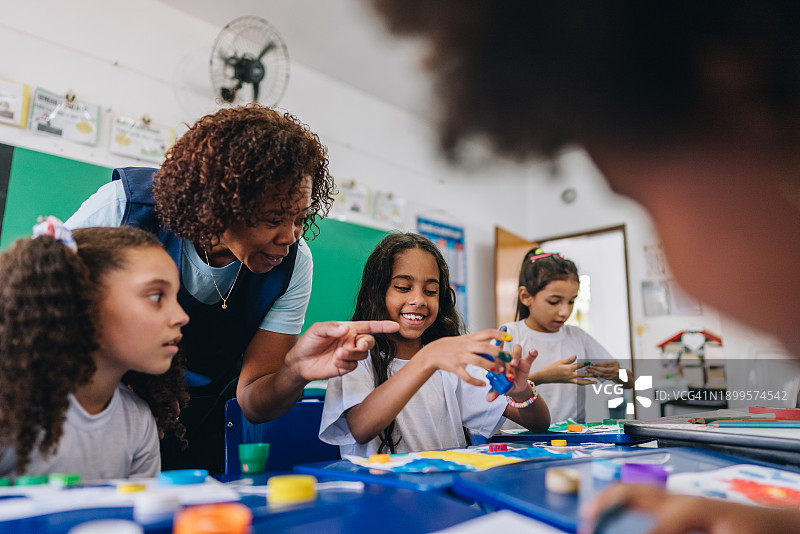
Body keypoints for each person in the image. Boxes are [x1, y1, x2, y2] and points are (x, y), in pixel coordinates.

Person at [368, 1, 800, 531]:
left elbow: (591, 382)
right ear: (525, 297)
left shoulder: (560, 339)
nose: (677, 271)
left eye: (645, 198)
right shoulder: (476, 345)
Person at [66, 104, 397, 473]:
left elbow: (255, 402)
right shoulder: (125, 208)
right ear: (220, 205)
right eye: (273, 218)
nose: (290, 236)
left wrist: (295, 371)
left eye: (300, 218)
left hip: (201, 430)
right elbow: (37, 307)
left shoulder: (292, 264)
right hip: (90, 415)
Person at [319, 233, 550, 456]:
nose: (419, 300)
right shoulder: (354, 354)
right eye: (403, 287)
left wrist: (522, 393)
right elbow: (361, 428)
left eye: (431, 291)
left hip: (444, 490)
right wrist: (427, 358)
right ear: (375, 294)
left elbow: (539, 423)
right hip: (381, 492)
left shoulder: (449, 361)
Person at [0, 219, 188, 480]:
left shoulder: (138, 421)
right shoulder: (9, 409)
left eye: (176, 297)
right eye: (156, 296)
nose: (181, 316)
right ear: (83, 301)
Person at [500, 248, 631, 424]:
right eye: (554, 302)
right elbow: (493, 395)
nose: (565, 312)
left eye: (571, 301)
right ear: (526, 296)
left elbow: (630, 382)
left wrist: (617, 373)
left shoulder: (577, 336)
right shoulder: (509, 335)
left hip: (572, 440)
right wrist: (542, 377)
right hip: (520, 440)